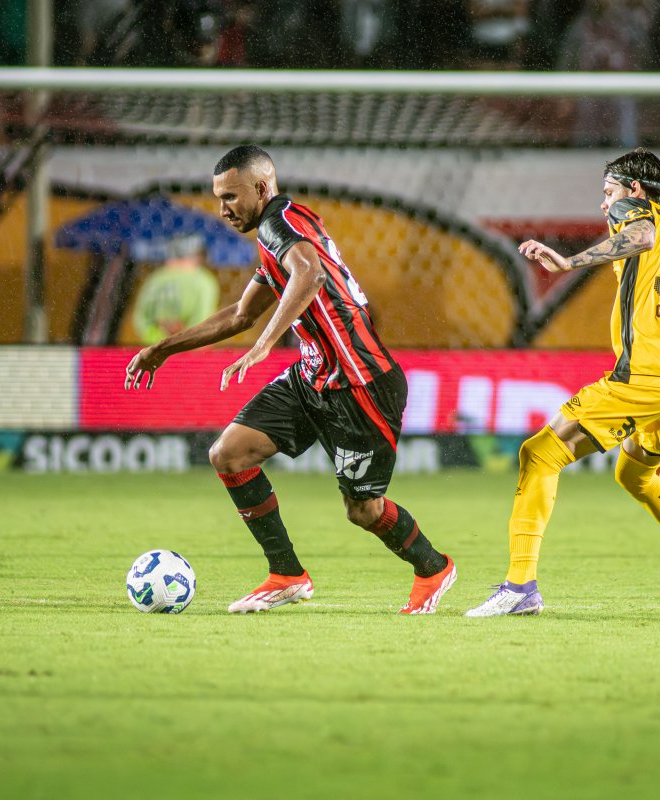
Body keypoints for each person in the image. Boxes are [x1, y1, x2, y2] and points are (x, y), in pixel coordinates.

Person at [125, 144, 456, 614]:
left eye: (231, 197)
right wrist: (162, 349)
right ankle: (286, 574)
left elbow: (310, 274)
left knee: (363, 510)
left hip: (361, 383)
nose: (223, 209)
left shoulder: (279, 223)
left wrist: (264, 345)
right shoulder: (280, 233)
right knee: (229, 454)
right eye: (218, 199)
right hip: (313, 375)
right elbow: (240, 315)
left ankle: (433, 567)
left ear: (262, 188)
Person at [466, 147, 660, 618]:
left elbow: (638, 234)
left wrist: (567, 263)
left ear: (635, 189)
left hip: (650, 373)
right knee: (635, 474)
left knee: (539, 454)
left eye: (609, 191)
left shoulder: (636, 213)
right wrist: (657, 410)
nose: (605, 204)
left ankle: (520, 587)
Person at [129, 233, 220, 345]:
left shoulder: (156, 278)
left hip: (154, 347)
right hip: (189, 347)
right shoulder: (205, 281)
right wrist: (182, 341)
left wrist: (157, 338)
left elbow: (141, 317)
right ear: (199, 255)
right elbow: (203, 319)